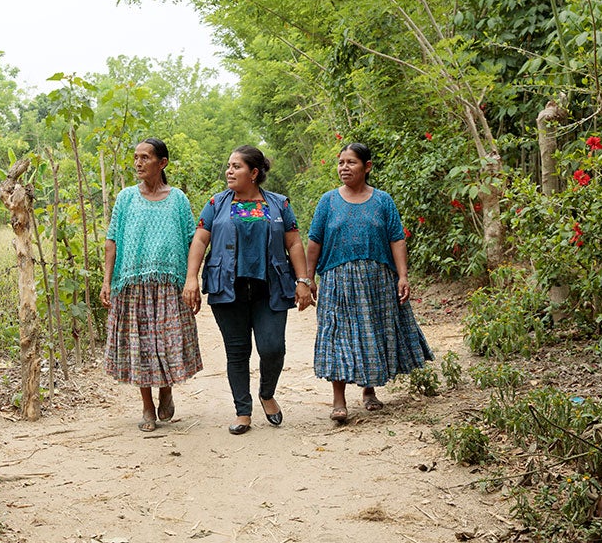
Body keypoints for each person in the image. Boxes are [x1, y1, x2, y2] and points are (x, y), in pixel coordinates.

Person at [183, 145, 313, 435]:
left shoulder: (279, 204)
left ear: (254, 173)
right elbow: (201, 240)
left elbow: (293, 243)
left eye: (236, 166)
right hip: (228, 287)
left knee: (272, 348)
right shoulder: (217, 203)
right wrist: (191, 277)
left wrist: (303, 280)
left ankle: (267, 393)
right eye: (228, 166)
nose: (229, 171)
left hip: (271, 287)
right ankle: (243, 411)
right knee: (237, 352)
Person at [306, 142, 434, 423]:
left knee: (371, 332)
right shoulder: (328, 201)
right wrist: (308, 277)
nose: (344, 168)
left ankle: (369, 390)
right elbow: (314, 241)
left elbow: (396, 239)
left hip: (377, 280)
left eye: (351, 162)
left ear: (367, 167)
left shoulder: (383, 201)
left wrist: (402, 275)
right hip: (337, 280)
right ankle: (338, 400)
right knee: (336, 335)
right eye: (341, 163)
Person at [100, 138, 203, 433]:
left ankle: (166, 388)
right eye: (136, 157)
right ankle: (147, 406)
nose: (139, 163)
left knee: (167, 342)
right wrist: (107, 281)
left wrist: (191, 280)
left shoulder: (178, 199)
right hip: (132, 285)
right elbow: (112, 241)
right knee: (141, 345)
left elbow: (192, 241)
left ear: (162, 163)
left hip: (169, 284)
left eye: (145, 157)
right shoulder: (126, 198)